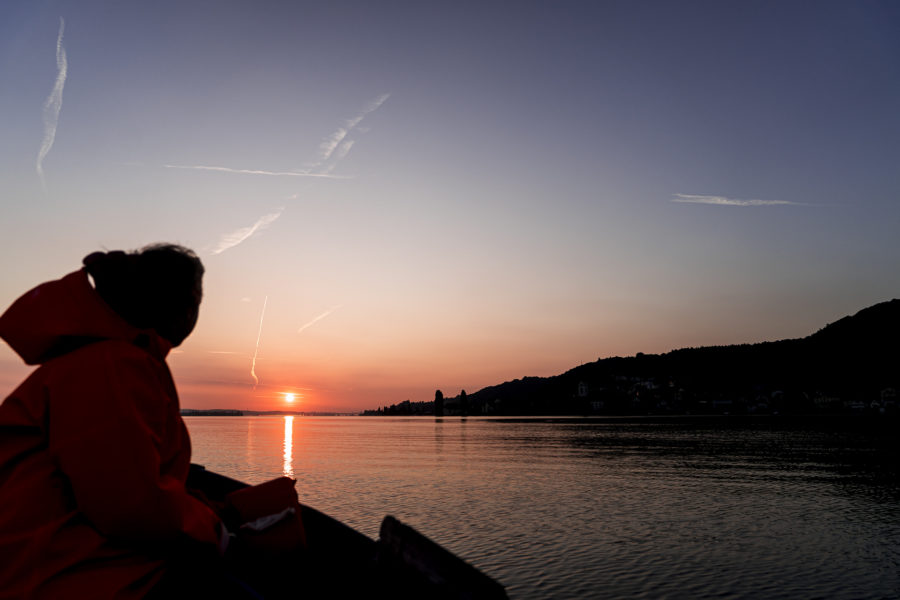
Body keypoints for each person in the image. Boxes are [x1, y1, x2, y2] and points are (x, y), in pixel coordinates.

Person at [0, 244, 235, 598]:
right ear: (161, 297)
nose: (193, 311)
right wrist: (216, 530)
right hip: (63, 578)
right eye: (191, 298)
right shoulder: (110, 365)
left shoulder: (114, 358)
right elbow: (130, 508)